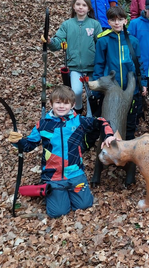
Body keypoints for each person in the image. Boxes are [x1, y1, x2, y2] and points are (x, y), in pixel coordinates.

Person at [7, 85, 115, 218]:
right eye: (58, 102)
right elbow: (28, 145)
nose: (61, 106)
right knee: (57, 212)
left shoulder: (79, 121)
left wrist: (109, 135)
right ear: (51, 104)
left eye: (66, 103)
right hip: (53, 177)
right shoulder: (43, 124)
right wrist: (17, 141)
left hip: (75, 173)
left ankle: (69, 193)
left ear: (73, 105)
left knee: (85, 205)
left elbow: (101, 121)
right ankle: (58, 193)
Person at [93, 5, 147, 142]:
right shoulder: (103, 41)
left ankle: (127, 147)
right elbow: (99, 65)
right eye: (113, 20)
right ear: (108, 22)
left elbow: (139, 63)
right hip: (111, 89)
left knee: (130, 120)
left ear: (125, 21)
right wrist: (97, 91)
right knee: (109, 121)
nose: (117, 23)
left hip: (131, 88)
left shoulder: (132, 41)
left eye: (120, 19)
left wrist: (143, 84)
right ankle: (109, 148)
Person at [44, 0, 102, 114]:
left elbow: (101, 44)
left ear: (89, 8)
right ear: (74, 7)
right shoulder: (67, 25)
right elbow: (58, 41)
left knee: (91, 93)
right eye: (78, 4)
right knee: (76, 91)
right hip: (74, 66)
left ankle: (90, 118)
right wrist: (50, 41)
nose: (81, 7)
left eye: (84, 5)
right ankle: (78, 109)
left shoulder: (95, 24)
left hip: (91, 67)